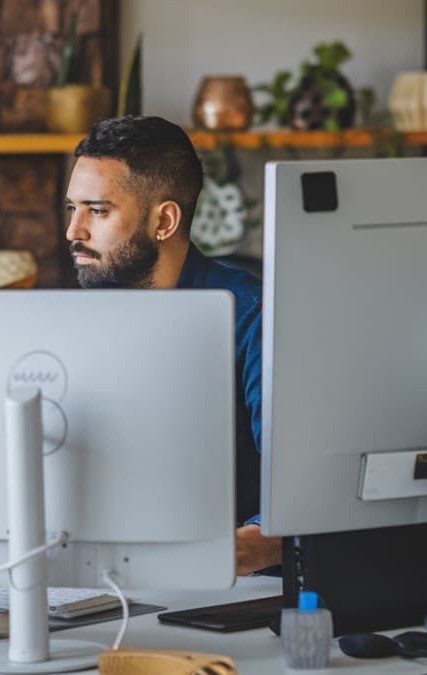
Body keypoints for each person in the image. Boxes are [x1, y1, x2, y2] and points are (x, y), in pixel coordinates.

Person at [64, 115, 280, 575]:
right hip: (94, 577)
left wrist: (244, 546)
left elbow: (297, 490)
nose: (74, 231)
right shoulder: (73, 321)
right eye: (72, 209)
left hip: (223, 587)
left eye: (97, 211)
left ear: (164, 220)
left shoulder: (253, 315)